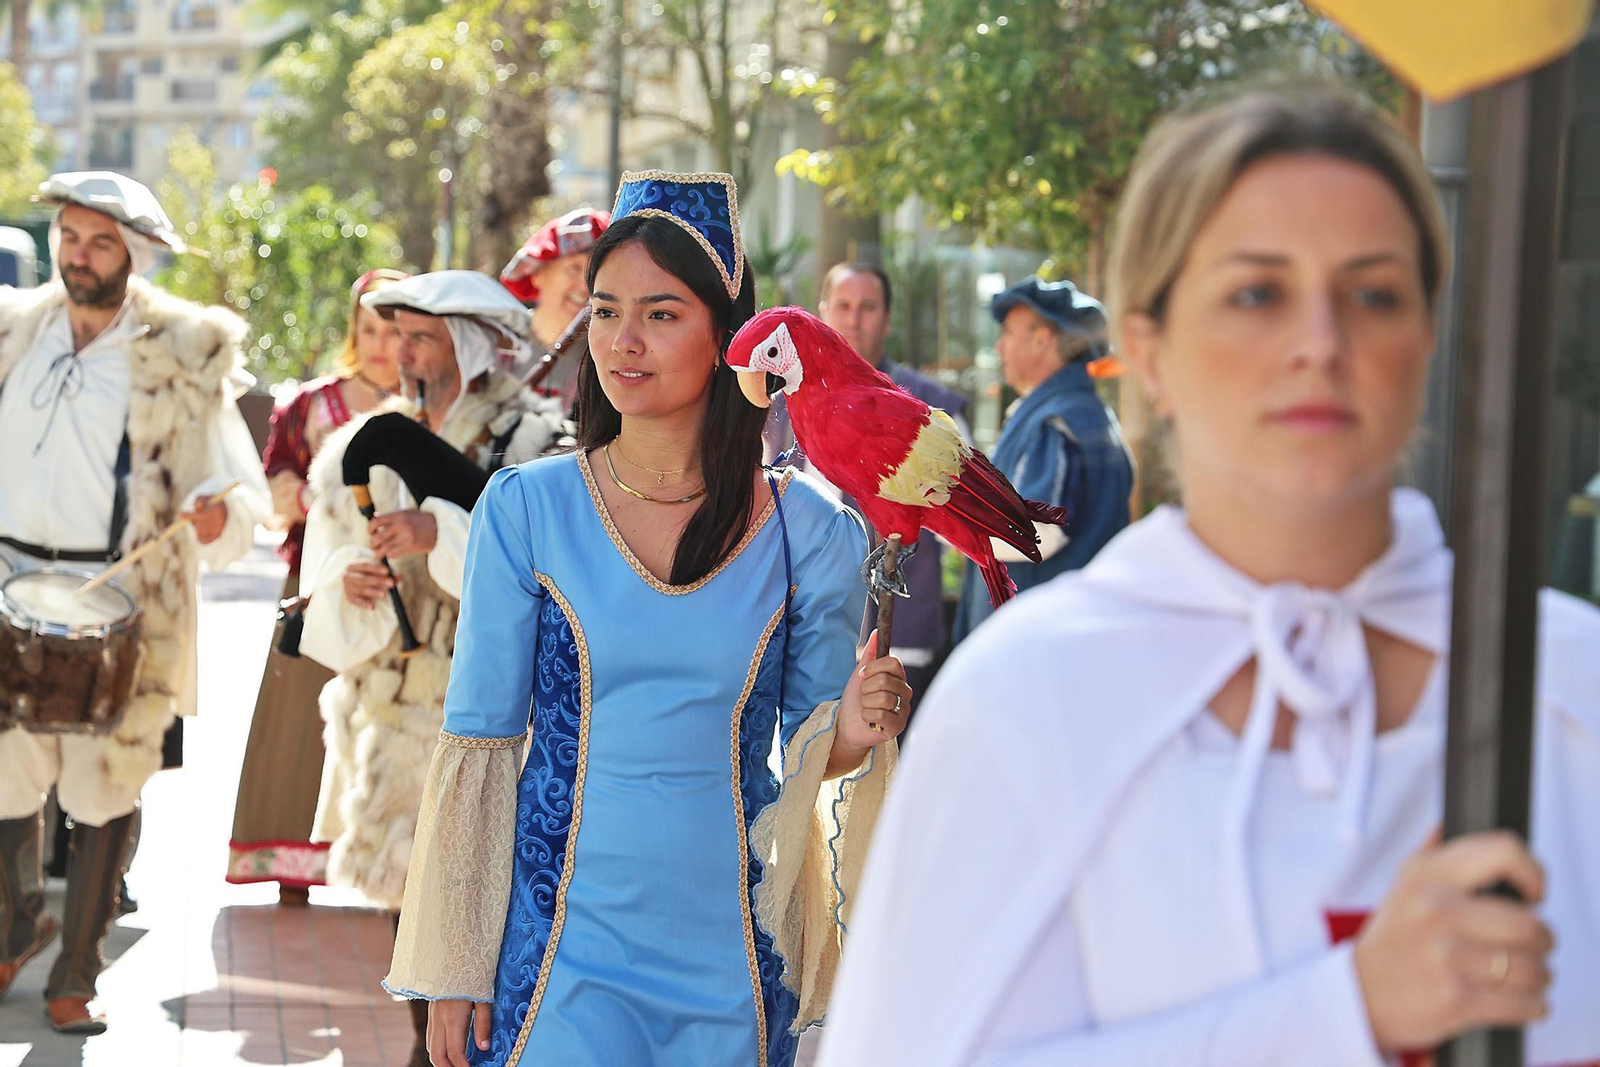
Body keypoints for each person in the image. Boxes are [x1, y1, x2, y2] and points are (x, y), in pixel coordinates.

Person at [819, 86, 1600, 1067]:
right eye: (1255, 292)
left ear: (1428, 335)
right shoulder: (1024, 700)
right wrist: (1346, 1012)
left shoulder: (1570, 685)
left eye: (1373, 292)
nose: (1320, 340)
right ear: (1146, 348)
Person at [383, 171, 908, 1067]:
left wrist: (855, 728)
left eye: (661, 314)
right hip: (558, 955)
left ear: (727, 336)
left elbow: (816, 749)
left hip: (733, 961)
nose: (623, 341)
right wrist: (456, 961)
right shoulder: (527, 509)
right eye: (604, 310)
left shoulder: (810, 533)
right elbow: (478, 740)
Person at [0, 171, 270, 1033]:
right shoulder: (12, 331)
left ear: (135, 252)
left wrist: (217, 510)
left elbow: (231, 482)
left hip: (120, 597)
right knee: (6, 779)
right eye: (70, 238)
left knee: (102, 788)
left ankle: (74, 973)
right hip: (6, 585)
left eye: (101, 242)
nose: (80, 257)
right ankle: (16, 923)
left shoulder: (181, 351)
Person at [297, 269, 567, 1067]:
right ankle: (423, 1045)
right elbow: (325, 552)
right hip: (392, 696)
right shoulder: (364, 438)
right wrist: (349, 576)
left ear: (471, 342)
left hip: (489, 702)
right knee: (402, 880)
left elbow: (546, 571)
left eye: (421, 335)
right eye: (396, 334)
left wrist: (441, 529)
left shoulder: (533, 439)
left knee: (482, 886)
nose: (401, 351)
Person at [226, 267, 408, 905]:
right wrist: (335, 508)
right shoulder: (310, 404)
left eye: (394, 329)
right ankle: (289, 864)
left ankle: (387, 868)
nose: (382, 343)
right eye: (369, 329)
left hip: (403, 589)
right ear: (353, 331)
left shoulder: (429, 406)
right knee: (299, 723)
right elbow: (277, 495)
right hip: (315, 584)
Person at [763, 263, 968, 730]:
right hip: (803, 629)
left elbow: (967, 533)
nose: (854, 320)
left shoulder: (928, 406)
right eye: (843, 306)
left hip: (899, 634)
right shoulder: (779, 409)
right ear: (822, 314)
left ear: (888, 319)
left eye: (868, 307)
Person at [950, 274, 1133, 642]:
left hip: (1039, 646)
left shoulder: (1059, 419)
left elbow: (1041, 533)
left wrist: (944, 517)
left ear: (1042, 340)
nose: (999, 347)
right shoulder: (1076, 412)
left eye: (1008, 334)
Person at [499, 207, 610, 403]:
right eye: (574, 269)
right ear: (537, 274)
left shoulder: (605, 358)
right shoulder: (497, 344)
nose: (586, 286)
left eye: (595, 273)